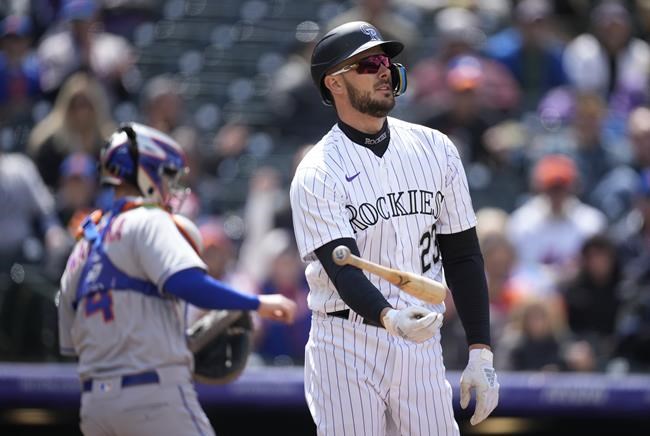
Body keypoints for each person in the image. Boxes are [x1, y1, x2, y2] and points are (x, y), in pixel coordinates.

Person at [290, 21, 499, 435]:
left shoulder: (435, 148)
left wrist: (481, 350)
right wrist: (387, 317)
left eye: (387, 60)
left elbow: (463, 254)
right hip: (345, 344)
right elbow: (343, 270)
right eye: (369, 63)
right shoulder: (318, 172)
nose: (385, 70)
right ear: (334, 82)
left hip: (420, 342)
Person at [57, 122, 297, 436]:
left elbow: (69, 340)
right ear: (144, 173)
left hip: (94, 406)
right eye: (167, 175)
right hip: (152, 397)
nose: (171, 187)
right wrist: (257, 302)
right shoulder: (148, 220)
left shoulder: (84, 242)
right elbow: (186, 283)